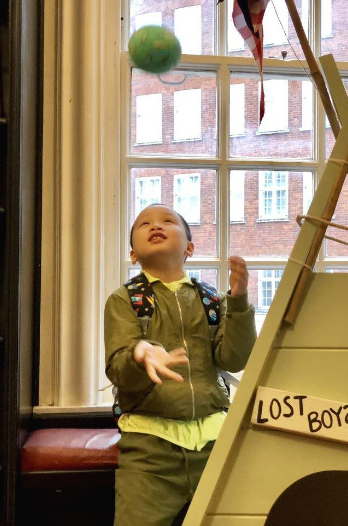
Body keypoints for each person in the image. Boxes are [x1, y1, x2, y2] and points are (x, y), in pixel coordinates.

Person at [104, 204, 257, 526]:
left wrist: (239, 300)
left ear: (189, 248)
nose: (155, 225)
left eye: (167, 221)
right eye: (144, 223)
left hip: (216, 444)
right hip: (149, 450)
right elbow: (118, 368)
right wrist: (141, 354)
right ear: (133, 255)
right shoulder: (125, 300)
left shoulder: (212, 300)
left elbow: (234, 358)